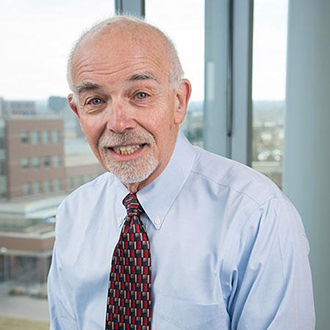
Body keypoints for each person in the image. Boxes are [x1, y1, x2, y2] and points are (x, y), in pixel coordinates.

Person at [47, 15, 315, 330]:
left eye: (140, 95)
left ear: (179, 101)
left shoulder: (257, 215)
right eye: (95, 101)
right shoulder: (73, 214)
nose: (118, 123)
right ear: (78, 111)